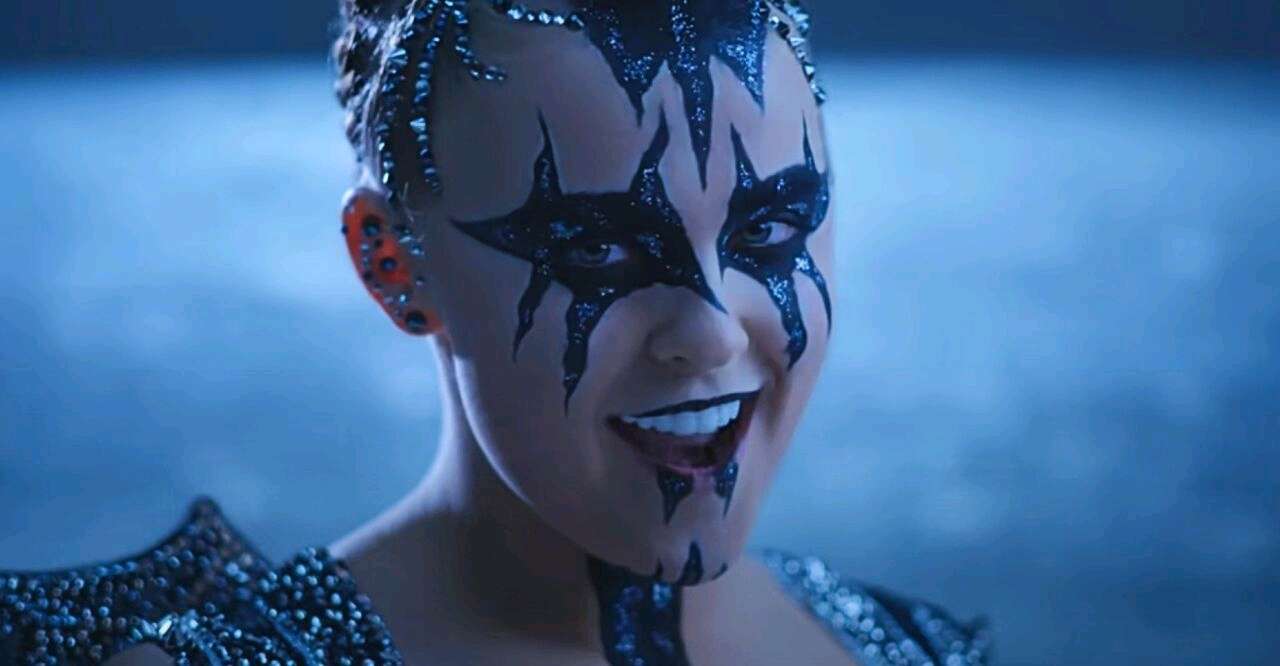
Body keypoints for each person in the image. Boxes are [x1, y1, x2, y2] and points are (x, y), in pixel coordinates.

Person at [0, 1, 992, 664]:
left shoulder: (918, 652)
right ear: (391, 262)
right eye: (597, 250)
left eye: (769, 233)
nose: (708, 331)